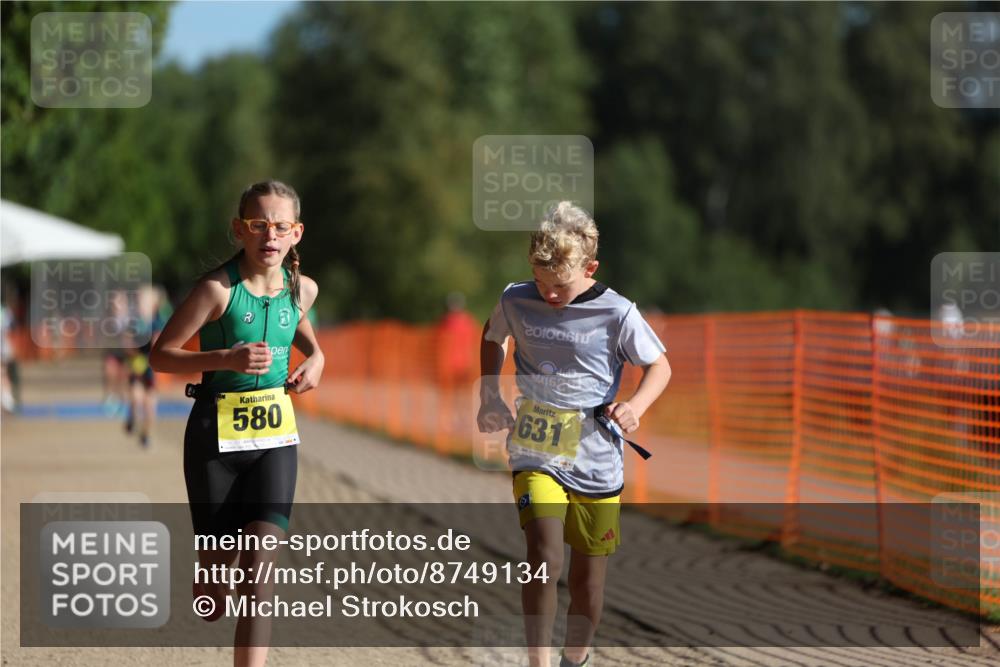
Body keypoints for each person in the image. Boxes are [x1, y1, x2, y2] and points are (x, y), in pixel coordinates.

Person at [478, 201, 671, 667]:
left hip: (596, 452)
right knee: (544, 553)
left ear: (590, 267)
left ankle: (575, 659)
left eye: (559, 285)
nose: (548, 295)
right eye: (540, 281)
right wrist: (490, 395)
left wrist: (635, 407)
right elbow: (491, 336)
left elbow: (659, 366)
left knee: (588, 582)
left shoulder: (618, 312)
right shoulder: (515, 298)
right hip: (536, 444)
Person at [150, 180, 323, 667]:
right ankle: (208, 572)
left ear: (296, 234)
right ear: (239, 230)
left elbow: (302, 328)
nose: (270, 235)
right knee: (216, 590)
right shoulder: (216, 290)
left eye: (280, 226)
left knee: (260, 573)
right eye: (258, 225)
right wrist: (224, 356)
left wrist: (320, 359)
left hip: (275, 440)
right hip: (214, 439)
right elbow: (160, 356)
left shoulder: (301, 288)